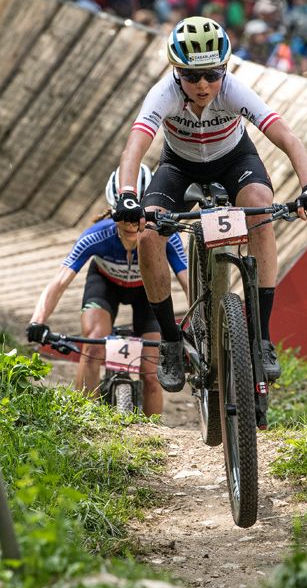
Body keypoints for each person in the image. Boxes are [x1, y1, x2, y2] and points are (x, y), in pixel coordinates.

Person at [112, 16, 307, 391]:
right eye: (192, 76)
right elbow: (136, 145)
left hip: (234, 160)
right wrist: (129, 196)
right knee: (148, 236)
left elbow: (288, 137)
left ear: (224, 69)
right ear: (176, 72)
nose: (203, 85)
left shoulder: (233, 90)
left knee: (261, 207)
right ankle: (171, 341)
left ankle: (261, 337)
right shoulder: (164, 94)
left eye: (212, 74)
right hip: (178, 165)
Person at [27, 166, 189, 416]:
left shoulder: (165, 237)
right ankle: (81, 417)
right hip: (105, 286)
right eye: (123, 218)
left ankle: (154, 436)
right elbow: (59, 281)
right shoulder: (96, 236)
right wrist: (38, 321)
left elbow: (187, 281)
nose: (131, 225)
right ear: (113, 212)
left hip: (148, 294)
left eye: (138, 218)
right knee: (93, 345)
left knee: (153, 370)